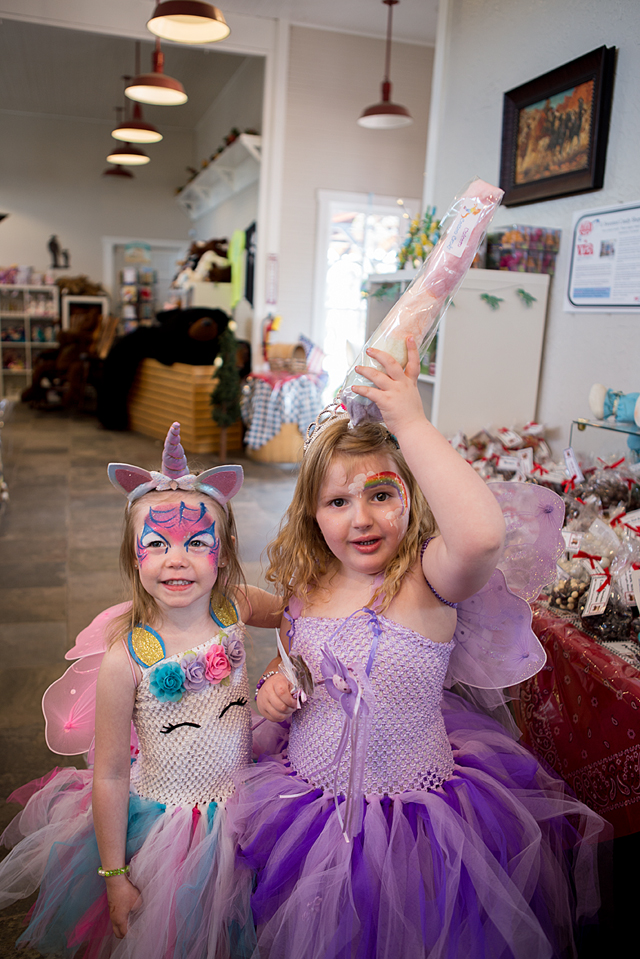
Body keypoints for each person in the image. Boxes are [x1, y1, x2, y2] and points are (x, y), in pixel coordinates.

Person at [228, 339, 609, 959]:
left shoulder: (427, 578)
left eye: (381, 494)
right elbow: (295, 663)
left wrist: (409, 421)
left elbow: (483, 536)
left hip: (413, 823)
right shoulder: (309, 582)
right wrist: (277, 689)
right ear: (311, 514)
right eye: (338, 502)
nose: (362, 520)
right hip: (304, 805)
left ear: (411, 494)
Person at [0, 422, 281, 959]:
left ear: (223, 552)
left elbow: (297, 615)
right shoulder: (125, 659)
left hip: (247, 807)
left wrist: (285, 673)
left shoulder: (236, 605)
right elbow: (108, 772)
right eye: (157, 544)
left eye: (198, 543)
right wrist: (114, 875)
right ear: (134, 556)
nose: (177, 558)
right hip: (168, 832)